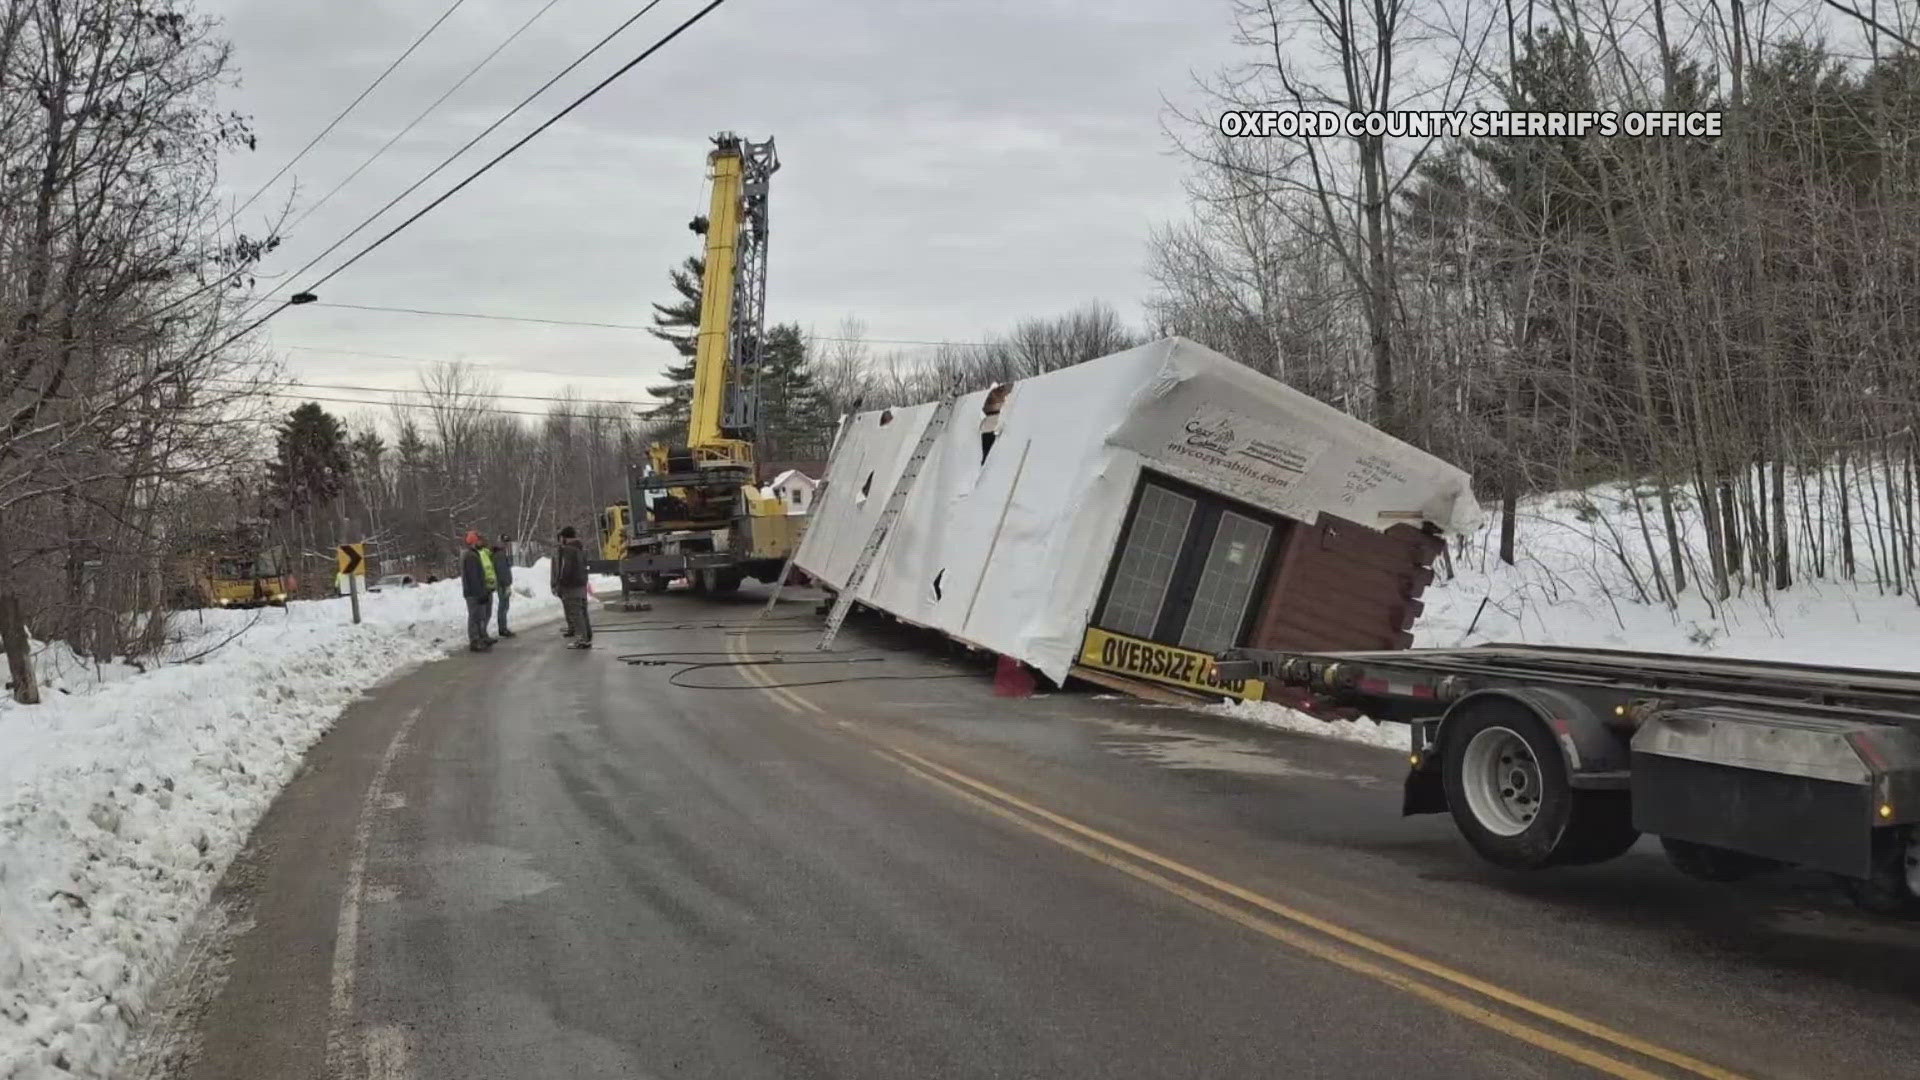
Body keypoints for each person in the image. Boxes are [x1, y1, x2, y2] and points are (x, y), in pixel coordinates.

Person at [553, 525, 592, 649]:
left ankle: (582, 639)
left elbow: (566, 568)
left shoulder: (568, 550)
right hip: (581, 584)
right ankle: (587, 636)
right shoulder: (580, 549)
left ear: (565, 538)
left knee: (576, 613)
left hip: (571, 586)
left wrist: (562, 583)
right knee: (583, 612)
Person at [460, 530, 497, 652]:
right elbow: (474, 577)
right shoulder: (471, 556)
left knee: (479, 616)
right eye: (479, 540)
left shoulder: (473, 554)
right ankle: (474, 640)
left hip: (475, 592)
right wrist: (480, 593)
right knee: (474, 616)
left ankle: (480, 637)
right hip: (473, 593)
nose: (481, 542)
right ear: (474, 542)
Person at [491, 537, 516, 638]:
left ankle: (503, 627)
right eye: (504, 543)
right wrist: (506, 584)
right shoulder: (500, 555)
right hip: (502, 585)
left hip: (502, 584)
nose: (506, 545)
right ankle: (502, 628)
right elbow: (502, 572)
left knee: (504, 606)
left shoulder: (499, 554)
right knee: (503, 607)